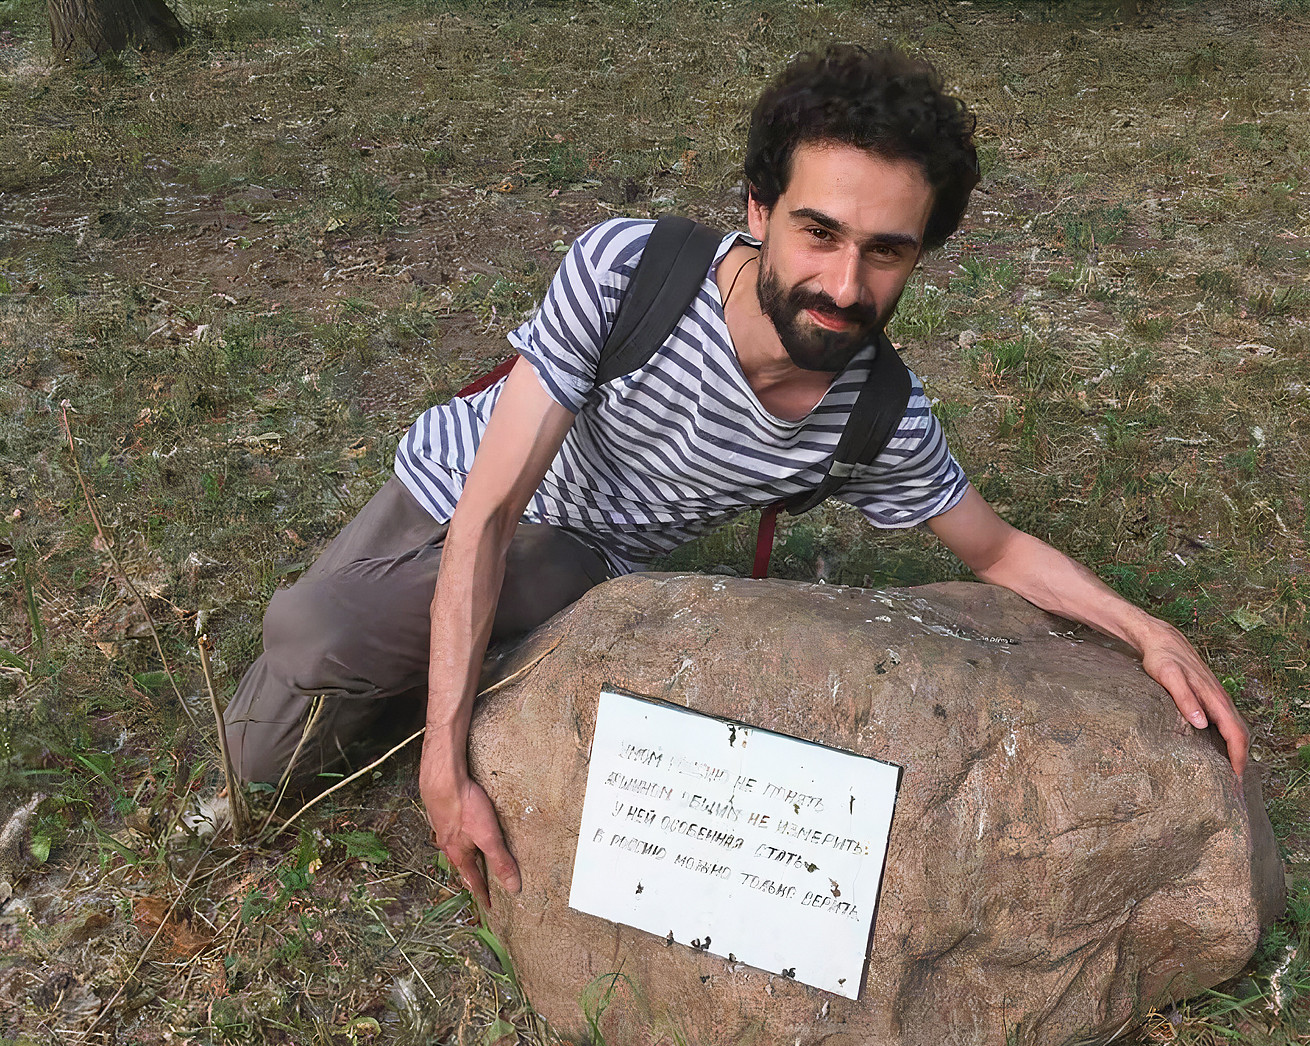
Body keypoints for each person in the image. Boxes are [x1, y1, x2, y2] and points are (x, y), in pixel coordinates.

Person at [225, 45, 1249, 910]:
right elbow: (487, 510)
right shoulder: (629, 272)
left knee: (317, 633)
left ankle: (372, 673)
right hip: (450, 480)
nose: (844, 285)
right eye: (819, 232)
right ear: (759, 208)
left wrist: (1145, 630)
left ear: (921, 255)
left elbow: (998, 549)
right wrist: (444, 764)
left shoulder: (877, 415)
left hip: (571, 551)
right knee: (271, 728)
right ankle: (379, 690)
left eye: (886, 252)